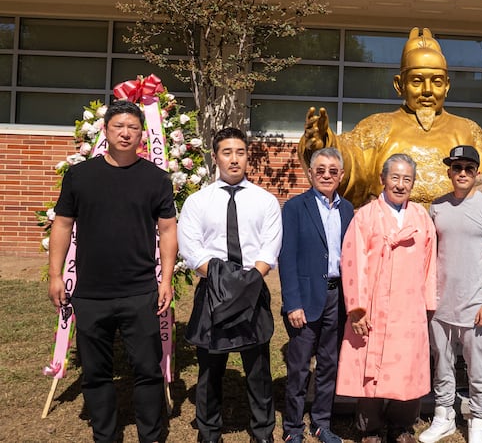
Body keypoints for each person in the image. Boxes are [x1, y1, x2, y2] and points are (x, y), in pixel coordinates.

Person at [47, 100, 177, 443]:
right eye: (118, 126)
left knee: (147, 371)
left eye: (133, 127)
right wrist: (55, 275)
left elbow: (167, 231)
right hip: (91, 293)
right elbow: (61, 225)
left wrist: (166, 280)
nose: (125, 132)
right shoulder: (80, 176)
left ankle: (151, 435)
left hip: (140, 293)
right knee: (96, 372)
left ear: (141, 135)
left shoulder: (156, 179)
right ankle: (104, 435)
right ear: (105, 131)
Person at [300, 27, 482, 207]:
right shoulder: (376, 127)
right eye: (417, 81)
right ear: (399, 85)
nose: (427, 91)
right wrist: (323, 146)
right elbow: (352, 164)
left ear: (447, 86)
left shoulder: (468, 131)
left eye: (437, 82)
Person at [178, 127, 282, 443]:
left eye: (240, 152)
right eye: (227, 152)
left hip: (252, 288)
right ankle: (209, 432)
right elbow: (191, 248)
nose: (234, 159)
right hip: (213, 289)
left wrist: (248, 280)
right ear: (215, 157)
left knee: (258, 369)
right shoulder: (198, 201)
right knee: (210, 368)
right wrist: (223, 278)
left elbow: (270, 246)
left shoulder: (265, 201)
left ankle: (263, 432)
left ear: (247, 157)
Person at [336, 153, 437, 443]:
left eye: (407, 179)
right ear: (383, 179)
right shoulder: (365, 216)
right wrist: (357, 309)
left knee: (407, 367)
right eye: (395, 177)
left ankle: (402, 426)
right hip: (373, 307)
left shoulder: (421, 218)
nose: (401, 184)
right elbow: (352, 262)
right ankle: (369, 428)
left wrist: (427, 304)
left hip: (409, 308)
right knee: (371, 367)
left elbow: (431, 263)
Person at [421, 145, 482, 443]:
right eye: (457, 168)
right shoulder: (437, 206)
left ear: (477, 173)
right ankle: (443, 415)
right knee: (441, 363)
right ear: (449, 172)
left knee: (478, 367)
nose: (462, 173)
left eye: (469, 168)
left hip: (476, 305)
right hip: (440, 302)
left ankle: (478, 420)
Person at [279, 147, 354, 443]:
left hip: (338, 298)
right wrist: (292, 303)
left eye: (333, 171)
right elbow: (287, 258)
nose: (326, 175)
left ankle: (322, 423)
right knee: (298, 368)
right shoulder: (295, 207)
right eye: (320, 170)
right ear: (310, 173)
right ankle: (293, 428)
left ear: (341, 176)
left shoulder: (348, 209)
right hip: (306, 298)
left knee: (329, 364)